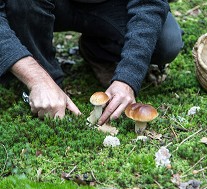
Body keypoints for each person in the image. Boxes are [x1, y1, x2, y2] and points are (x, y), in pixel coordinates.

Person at [0, 0, 183, 125]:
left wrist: (128, 76)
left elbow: (149, 4)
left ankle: (99, 50)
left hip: (109, 6)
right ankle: (47, 87)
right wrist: (37, 79)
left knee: (165, 43)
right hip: (38, 5)